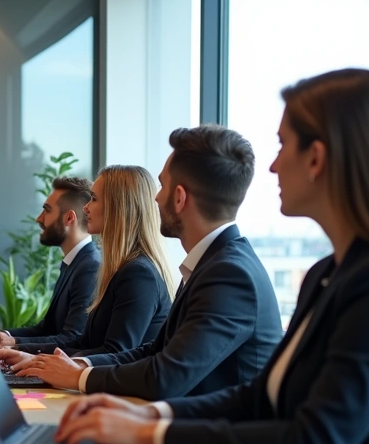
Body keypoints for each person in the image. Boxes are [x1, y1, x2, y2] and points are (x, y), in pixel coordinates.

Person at [54, 69, 369, 444]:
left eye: (282, 145)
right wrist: (151, 415)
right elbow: (260, 398)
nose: (272, 167)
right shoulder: (327, 274)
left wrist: (148, 434)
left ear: (317, 158)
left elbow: (313, 443)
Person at [21, 125, 283, 400]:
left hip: (206, 433)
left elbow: (166, 377)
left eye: (162, 186)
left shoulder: (229, 274)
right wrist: (78, 366)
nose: (155, 198)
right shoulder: (212, 264)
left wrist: (78, 376)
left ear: (179, 198)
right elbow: (156, 350)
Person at [0, 166, 173, 364]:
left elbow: (116, 352)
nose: (85, 208)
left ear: (118, 207)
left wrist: (35, 359)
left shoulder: (138, 273)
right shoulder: (118, 269)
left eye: (94, 199)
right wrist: (20, 350)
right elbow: (84, 342)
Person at [0, 177, 101, 350]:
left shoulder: (90, 266)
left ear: (69, 218)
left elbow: (73, 337)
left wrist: (14, 345)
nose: (38, 219)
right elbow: (47, 328)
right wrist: (5, 336)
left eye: (46, 210)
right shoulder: (75, 261)